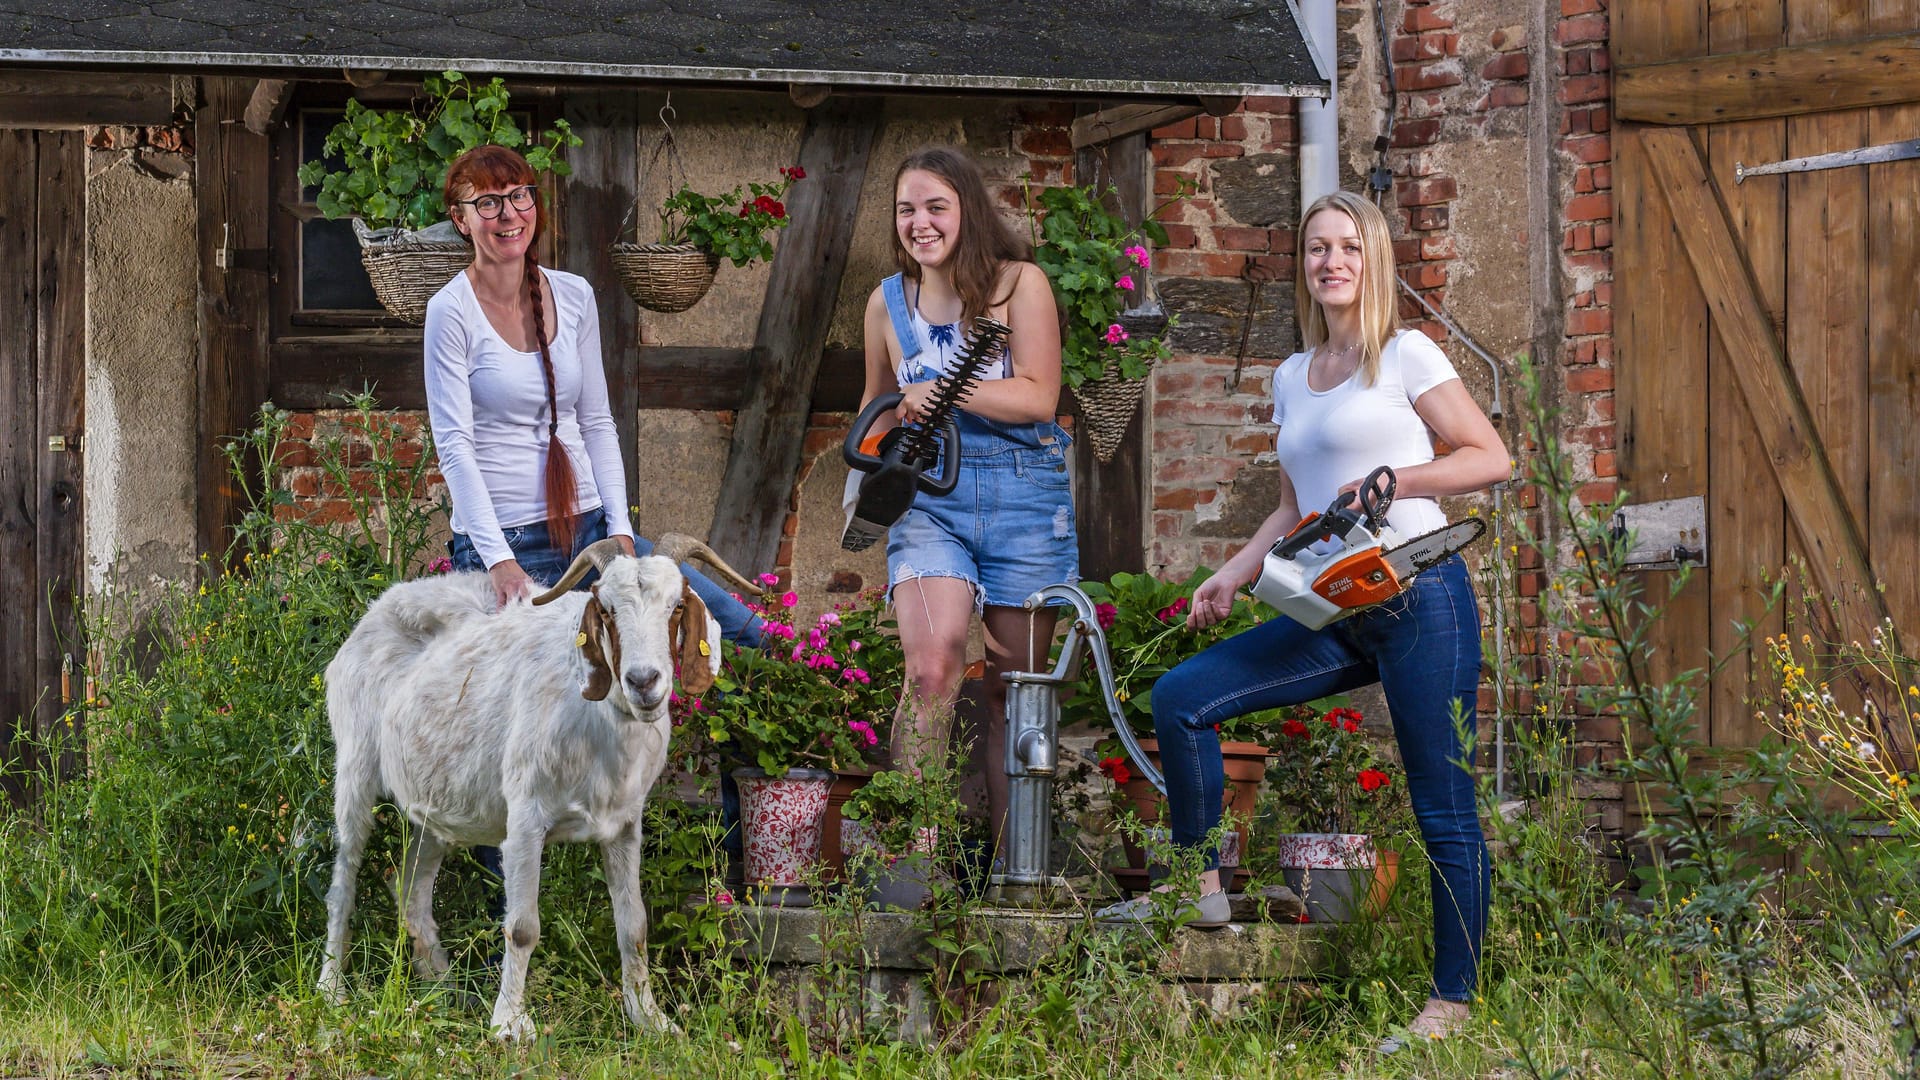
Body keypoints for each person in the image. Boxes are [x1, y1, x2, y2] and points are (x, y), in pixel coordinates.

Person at [1095, 190, 1508, 1040]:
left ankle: (1452, 1004)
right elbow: (1293, 506)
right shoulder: (1294, 374)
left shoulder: (1407, 355)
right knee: (1183, 698)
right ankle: (1198, 892)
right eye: (1318, 249)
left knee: (1443, 805)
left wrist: (1399, 478)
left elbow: (1488, 458)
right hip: (1333, 604)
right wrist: (1235, 573)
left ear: (1374, 259)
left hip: (1417, 594)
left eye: (1349, 249)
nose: (1332, 263)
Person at [423, 144, 767, 916]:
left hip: (588, 530)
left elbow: (598, 420)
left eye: (518, 197)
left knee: (736, 630)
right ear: (461, 219)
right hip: (505, 542)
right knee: (499, 723)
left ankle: (743, 871)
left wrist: (619, 532)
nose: (507, 214)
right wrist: (500, 562)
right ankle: (497, 936)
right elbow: (457, 447)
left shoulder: (571, 295)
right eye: (487, 202)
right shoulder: (450, 312)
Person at [856, 145, 1074, 854]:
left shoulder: (1020, 285)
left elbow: (1040, 397)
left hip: (1025, 494)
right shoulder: (885, 305)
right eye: (907, 210)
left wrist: (944, 393)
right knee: (931, 667)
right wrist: (868, 466)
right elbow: (875, 408)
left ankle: (1020, 866)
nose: (920, 223)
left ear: (966, 211)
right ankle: (919, 860)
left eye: (935, 206)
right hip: (930, 499)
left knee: (1019, 690)